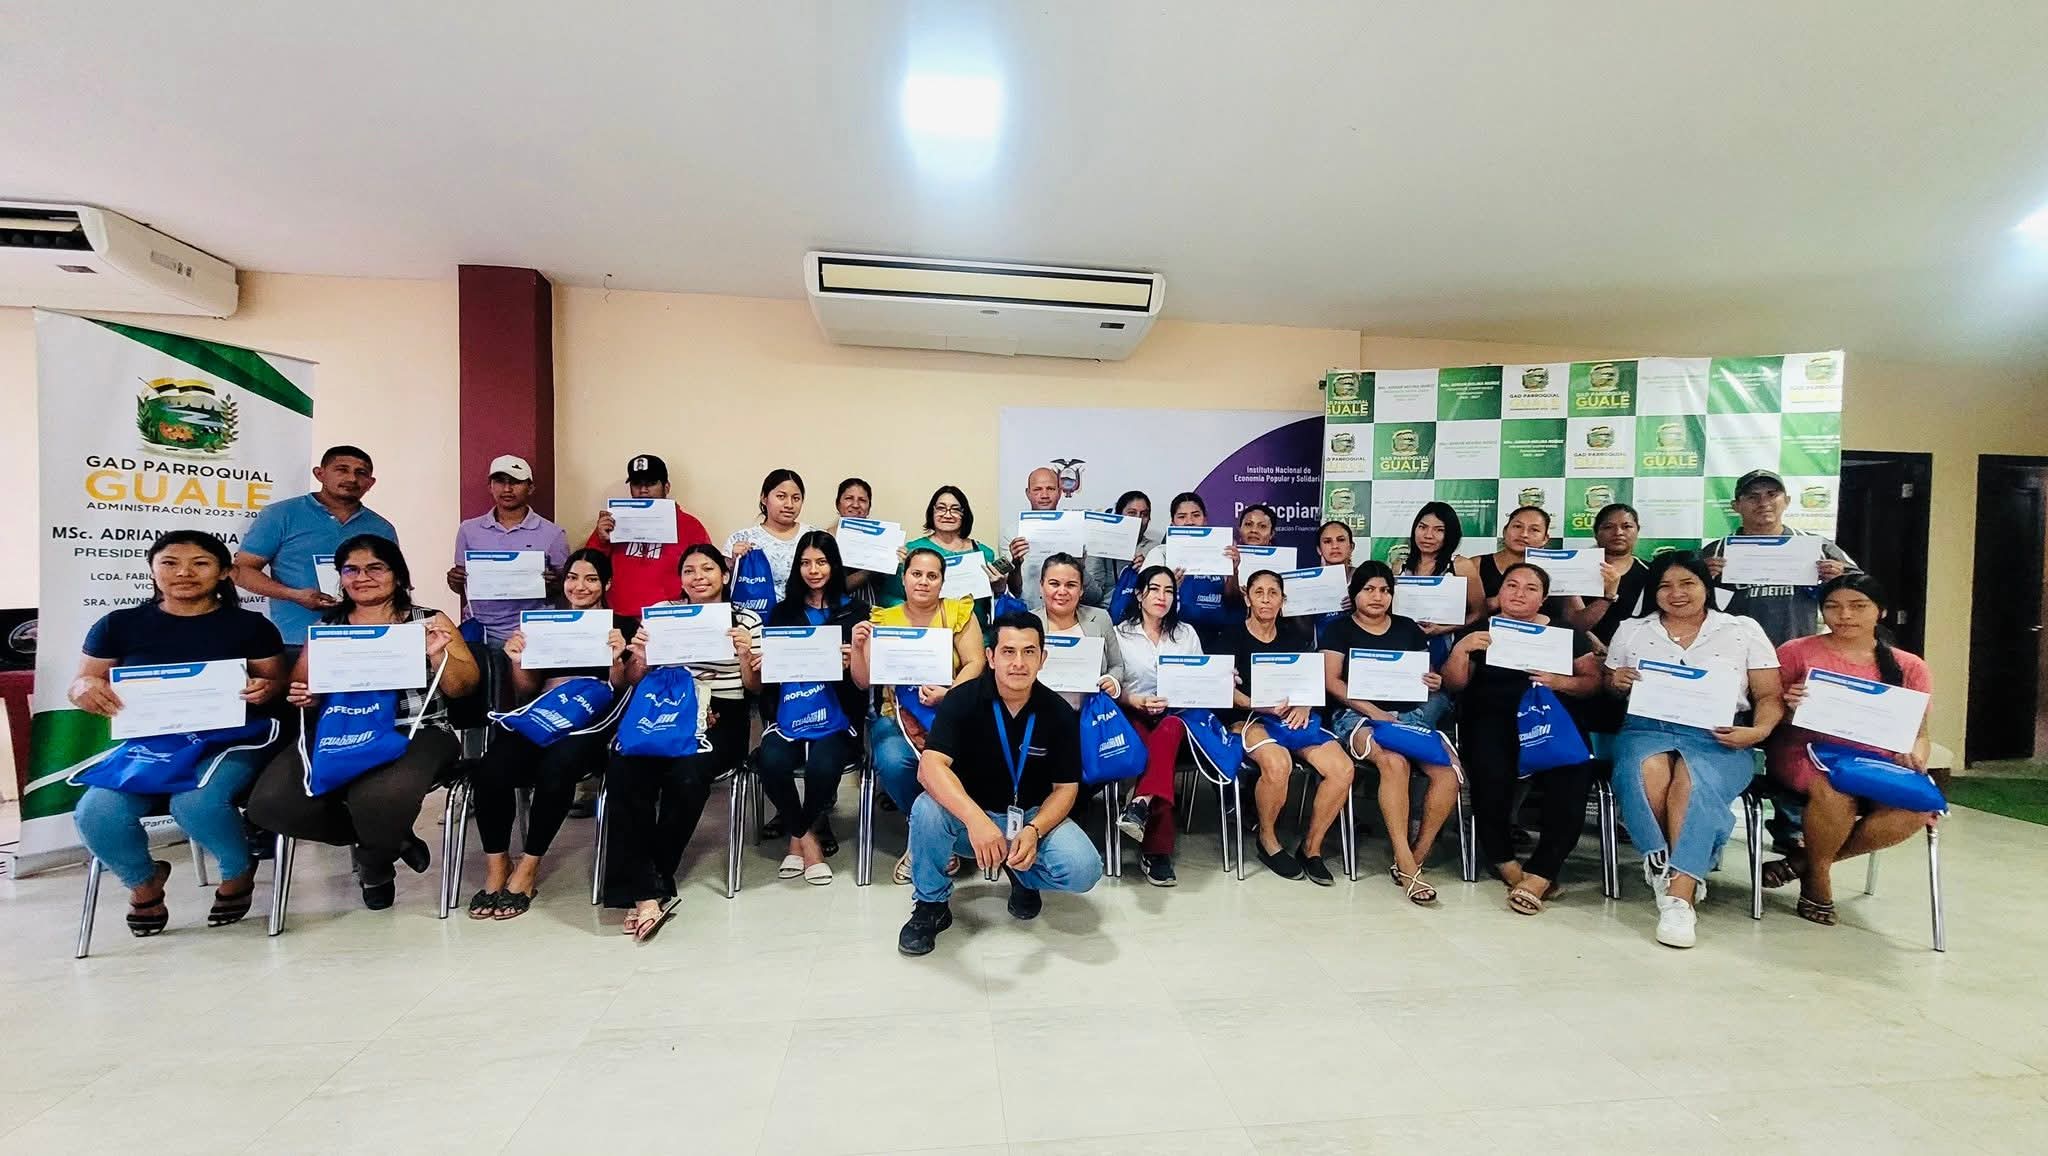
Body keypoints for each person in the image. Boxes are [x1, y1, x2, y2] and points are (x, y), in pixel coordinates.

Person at [67, 530, 287, 935]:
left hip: (233, 740)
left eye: (200, 563)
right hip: (151, 744)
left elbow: (275, 685)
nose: (184, 572)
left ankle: (238, 871)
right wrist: (85, 688)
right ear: (152, 570)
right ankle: (144, 883)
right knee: (96, 812)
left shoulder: (250, 626)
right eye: (170, 563)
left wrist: (264, 689)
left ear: (224, 572)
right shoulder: (118, 625)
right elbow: (83, 681)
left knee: (197, 803)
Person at [247, 535, 481, 909]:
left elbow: (464, 688)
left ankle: (374, 865)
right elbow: (303, 688)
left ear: (398, 575)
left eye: (375, 568)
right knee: (271, 803)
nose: (362, 577)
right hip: (340, 728)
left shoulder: (430, 621)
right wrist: (306, 696)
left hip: (417, 729)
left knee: (381, 799)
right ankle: (392, 838)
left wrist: (439, 656)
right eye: (351, 570)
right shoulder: (327, 626)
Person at [896, 611, 1104, 956]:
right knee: (926, 809)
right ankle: (930, 905)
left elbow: (1066, 789)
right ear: (990, 657)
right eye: (1008, 651)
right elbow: (929, 768)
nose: (1018, 662)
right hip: (969, 822)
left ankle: (1021, 872)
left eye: (1029, 652)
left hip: (1030, 818)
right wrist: (975, 820)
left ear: (1043, 658)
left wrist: (1035, 830)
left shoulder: (1059, 713)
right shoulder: (962, 700)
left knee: (1085, 869)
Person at [1604, 554, 1783, 948]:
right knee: (1644, 773)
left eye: (1687, 583)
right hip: (1646, 728)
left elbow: (1770, 695)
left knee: (1692, 784)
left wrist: (1758, 731)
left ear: (1706, 586)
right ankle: (1675, 866)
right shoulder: (1632, 630)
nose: (1676, 593)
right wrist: (1616, 681)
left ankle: (1678, 896)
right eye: (1664, 586)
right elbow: (1610, 683)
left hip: (1718, 734)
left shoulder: (1741, 630)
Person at [465, 548, 632, 919]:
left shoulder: (621, 626)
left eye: (591, 579)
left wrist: (617, 659)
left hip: (594, 722)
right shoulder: (544, 623)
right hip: (542, 715)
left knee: (557, 769)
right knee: (491, 769)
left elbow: (623, 688)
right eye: (573, 578)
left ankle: (528, 866)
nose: (580, 586)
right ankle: (497, 866)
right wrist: (517, 660)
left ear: (607, 584)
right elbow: (526, 689)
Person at [607, 543, 763, 938]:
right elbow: (635, 679)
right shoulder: (663, 614)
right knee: (625, 768)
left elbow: (755, 689)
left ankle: (649, 885)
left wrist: (746, 655)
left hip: (722, 715)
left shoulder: (746, 619)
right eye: (689, 571)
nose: (698, 577)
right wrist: (641, 656)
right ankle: (649, 890)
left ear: (724, 575)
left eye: (707, 569)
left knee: (689, 774)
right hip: (665, 708)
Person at [1763, 574, 1937, 927]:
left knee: (1917, 808)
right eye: (1833, 607)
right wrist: (1788, 706)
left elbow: (1919, 734)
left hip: (1876, 760)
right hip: (1804, 752)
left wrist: (1915, 754)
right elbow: (1767, 712)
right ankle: (1818, 883)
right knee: (1834, 789)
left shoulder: (1909, 666)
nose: (1844, 615)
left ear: (1880, 612)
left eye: (1858, 606)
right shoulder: (1796, 651)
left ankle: (1806, 863)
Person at [1441, 561, 1603, 915]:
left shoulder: (1564, 632)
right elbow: (1454, 684)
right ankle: (1507, 865)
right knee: (1489, 774)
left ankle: (1542, 873)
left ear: (1543, 598)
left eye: (1531, 588)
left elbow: (1592, 682)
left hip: (1549, 721)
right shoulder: (1482, 629)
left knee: (1573, 774)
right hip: (1490, 719)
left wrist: (1560, 682)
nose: (1519, 593)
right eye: (1512, 585)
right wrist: (1461, 650)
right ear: (1500, 592)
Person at [1319, 562, 1456, 904]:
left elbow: (1427, 676)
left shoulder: (1408, 628)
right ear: (1355, 593)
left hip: (1410, 716)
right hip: (1357, 716)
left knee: (1448, 773)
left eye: (1384, 590)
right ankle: (1405, 861)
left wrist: (1433, 681)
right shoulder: (1338, 629)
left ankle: (1417, 854)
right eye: (1369, 589)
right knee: (1394, 763)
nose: (1377, 597)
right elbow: (1331, 681)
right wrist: (1375, 712)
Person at [851, 546, 986, 884]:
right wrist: (858, 647)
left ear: (942, 581)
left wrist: (949, 694)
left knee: (971, 757)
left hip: (953, 714)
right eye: (916, 574)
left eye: (932, 576)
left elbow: (976, 663)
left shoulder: (958, 612)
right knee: (894, 760)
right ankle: (926, 831)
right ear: (904, 578)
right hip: (897, 717)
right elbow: (863, 681)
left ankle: (937, 835)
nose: (923, 582)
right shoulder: (884, 619)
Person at [1224, 570, 1357, 885]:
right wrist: (1257, 704)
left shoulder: (1294, 638)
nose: (1266, 599)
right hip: (1250, 717)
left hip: (1292, 717)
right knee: (1278, 763)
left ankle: (1311, 848)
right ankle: (1268, 839)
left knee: (1342, 769)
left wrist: (1305, 705)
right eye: (1259, 592)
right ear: (1247, 598)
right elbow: (1224, 690)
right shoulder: (1230, 637)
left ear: (1282, 600)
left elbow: (1311, 684)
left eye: (1273, 593)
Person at [756, 531, 866, 884]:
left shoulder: (855, 612)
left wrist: (854, 658)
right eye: (805, 563)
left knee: (823, 765)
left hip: (838, 716)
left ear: (834, 565)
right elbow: (768, 681)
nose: (813, 570)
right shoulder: (782, 611)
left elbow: (865, 683)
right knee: (770, 761)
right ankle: (807, 838)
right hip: (789, 714)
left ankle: (797, 838)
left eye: (821, 562)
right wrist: (763, 662)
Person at [233, 445, 398, 658]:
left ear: (370, 483)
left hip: (365, 638)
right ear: (320, 474)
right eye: (342, 469)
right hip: (295, 640)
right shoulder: (281, 515)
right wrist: (294, 595)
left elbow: (393, 579)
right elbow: (241, 571)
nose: (352, 478)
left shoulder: (381, 527)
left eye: (361, 473)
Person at [446, 454, 571, 707]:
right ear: (490, 486)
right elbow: (462, 587)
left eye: (515, 482)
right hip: (482, 630)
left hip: (530, 632)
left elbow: (567, 588)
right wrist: (454, 579)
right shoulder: (469, 530)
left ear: (530, 487)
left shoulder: (552, 533)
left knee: (526, 701)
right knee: (480, 703)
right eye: (500, 481)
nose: (507, 488)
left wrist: (553, 584)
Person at [1110, 565, 1200, 885]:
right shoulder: (1120, 634)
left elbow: (1199, 681)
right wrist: (1135, 701)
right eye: (1155, 589)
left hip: (1177, 715)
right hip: (1133, 712)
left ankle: (1139, 803)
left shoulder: (1186, 634)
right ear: (1139, 594)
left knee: (1169, 730)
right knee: (1153, 752)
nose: (1162, 597)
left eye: (1169, 591)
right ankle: (1156, 851)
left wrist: (1220, 679)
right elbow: (1112, 687)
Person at [1702, 469, 1857, 647]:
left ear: (1787, 501)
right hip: (1735, 649)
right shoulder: (1716, 551)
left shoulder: (1817, 547)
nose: (1763, 503)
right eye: (1752, 497)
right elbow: (1687, 601)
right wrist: (1701, 577)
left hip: (1800, 648)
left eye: (1772, 494)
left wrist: (1841, 578)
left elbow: (1864, 590)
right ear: (1735, 506)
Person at [585, 453, 713, 617]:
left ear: (666, 487)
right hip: (619, 616)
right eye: (637, 484)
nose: (643, 490)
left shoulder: (690, 526)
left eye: (651, 483)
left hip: (669, 615)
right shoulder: (614, 522)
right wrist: (601, 539)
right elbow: (588, 567)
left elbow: (706, 573)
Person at [884, 485, 1008, 615]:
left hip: (975, 625)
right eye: (941, 508)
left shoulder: (984, 553)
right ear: (932, 512)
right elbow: (891, 597)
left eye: (955, 509)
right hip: (926, 624)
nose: (947, 515)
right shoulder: (913, 549)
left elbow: (996, 605)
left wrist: (1000, 588)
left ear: (964, 514)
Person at [726, 468, 820, 594]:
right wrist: (733, 562)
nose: (789, 504)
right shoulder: (741, 538)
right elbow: (724, 585)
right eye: (781, 496)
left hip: (805, 606)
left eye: (796, 498)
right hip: (757, 606)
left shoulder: (815, 536)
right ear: (764, 498)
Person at [1399, 501, 1484, 635]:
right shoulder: (1399, 566)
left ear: (1450, 534)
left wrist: (1444, 629)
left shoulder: (1461, 566)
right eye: (1422, 527)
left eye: (1439, 530)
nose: (1428, 535)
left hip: (1445, 643)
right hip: (1405, 640)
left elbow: (1479, 613)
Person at [1583, 502, 1651, 643]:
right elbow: (1568, 620)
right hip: (1581, 651)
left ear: (1637, 530)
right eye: (1608, 527)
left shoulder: (1652, 572)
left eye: (1627, 526)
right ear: (1595, 533)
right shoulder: (1575, 570)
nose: (1618, 532)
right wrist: (1586, 640)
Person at [1083, 489, 1153, 609]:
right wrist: (1081, 569)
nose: (1139, 519)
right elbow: (1092, 597)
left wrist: (1147, 570)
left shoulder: (1155, 549)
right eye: (1132, 513)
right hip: (1106, 611)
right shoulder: (1100, 545)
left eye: (1144, 514)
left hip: (1143, 613)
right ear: (1119, 515)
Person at [1006, 466, 1063, 610]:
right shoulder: (1011, 533)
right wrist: (1016, 563)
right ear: (1028, 493)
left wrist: (1080, 566)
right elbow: (1012, 591)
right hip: (1026, 612)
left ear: (1060, 492)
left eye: (1050, 489)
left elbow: (1093, 596)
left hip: (1067, 611)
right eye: (1037, 489)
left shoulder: (1076, 531)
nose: (1044, 495)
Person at [835, 477, 882, 606]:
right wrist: (870, 570)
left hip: (871, 608)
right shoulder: (826, 538)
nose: (855, 505)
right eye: (849, 498)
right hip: (835, 610)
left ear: (869, 507)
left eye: (862, 500)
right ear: (838, 504)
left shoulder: (881, 540)